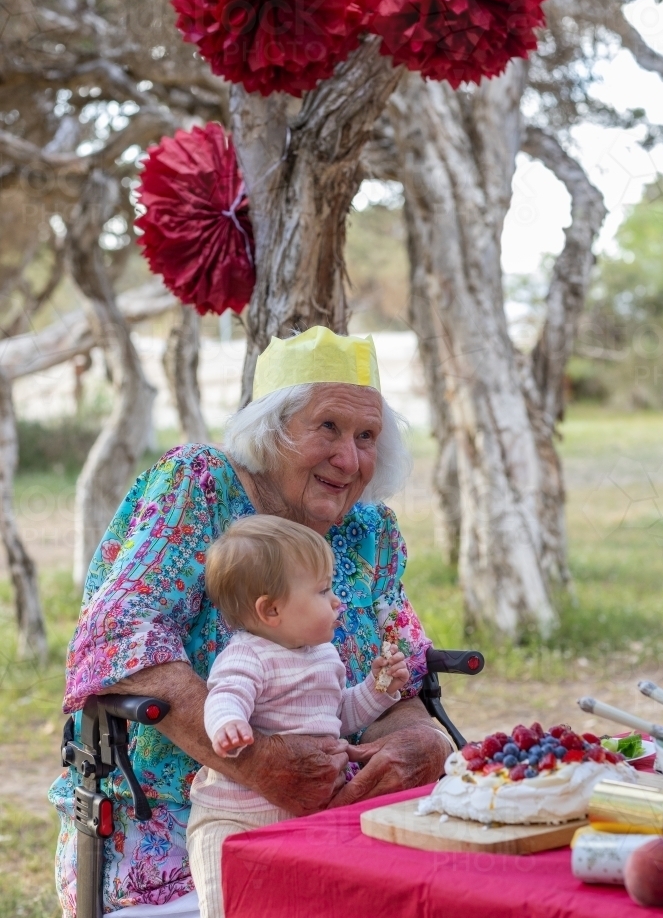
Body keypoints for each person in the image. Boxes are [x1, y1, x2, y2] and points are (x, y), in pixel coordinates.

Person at [49, 325, 451, 917]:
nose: (349, 458)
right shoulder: (201, 485)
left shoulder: (371, 532)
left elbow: (398, 675)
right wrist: (258, 761)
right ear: (272, 430)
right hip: (179, 839)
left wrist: (420, 742)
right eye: (328, 428)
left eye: (368, 436)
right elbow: (119, 632)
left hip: (338, 828)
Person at [187, 513, 409, 918]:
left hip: (301, 819)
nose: (337, 600)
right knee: (226, 902)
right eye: (323, 591)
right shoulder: (247, 655)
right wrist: (228, 724)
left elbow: (337, 715)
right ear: (271, 610)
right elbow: (225, 695)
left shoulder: (324, 654)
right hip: (233, 819)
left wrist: (380, 690)